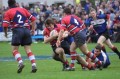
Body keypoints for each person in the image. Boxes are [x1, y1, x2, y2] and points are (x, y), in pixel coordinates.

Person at [2, 0, 37, 73]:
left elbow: (5, 25)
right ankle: (33, 64)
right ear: (15, 3)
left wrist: (5, 33)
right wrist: (33, 30)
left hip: (17, 31)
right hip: (26, 31)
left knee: (14, 50)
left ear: (8, 5)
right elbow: (33, 19)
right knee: (28, 50)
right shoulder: (23, 9)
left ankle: (20, 62)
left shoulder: (8, 12)